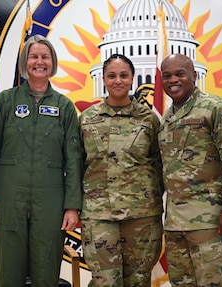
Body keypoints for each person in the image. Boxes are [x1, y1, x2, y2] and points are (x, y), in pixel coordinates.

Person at [0, 34, 83, 287]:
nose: (39, 62)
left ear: (52, 62)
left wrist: (71, 206)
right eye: (33, 56)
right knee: (9, 274)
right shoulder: (5, 101)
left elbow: (74, 160)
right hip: (9, 199)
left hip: (50, 202)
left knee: (46, 272)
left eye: (45, 57)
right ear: (25, 62)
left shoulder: (65, 107)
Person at [158, 53, 222, 287]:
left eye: (180, 73)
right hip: (176, 223)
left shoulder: (216, 108)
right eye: (167, 75)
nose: (173, 80)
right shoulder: (167, 118)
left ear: (194, 75)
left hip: (211, 222)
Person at [79, 53, 164, 287]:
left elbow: (159, 164)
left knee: (138, 280)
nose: (118, 81)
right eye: (112, 75)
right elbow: (77, 165)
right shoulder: (87, 119)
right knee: (105, 282)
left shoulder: (149, 120)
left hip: (142, 216)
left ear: (132, 79)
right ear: (104, 79)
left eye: (124, 75)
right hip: (99, 215)